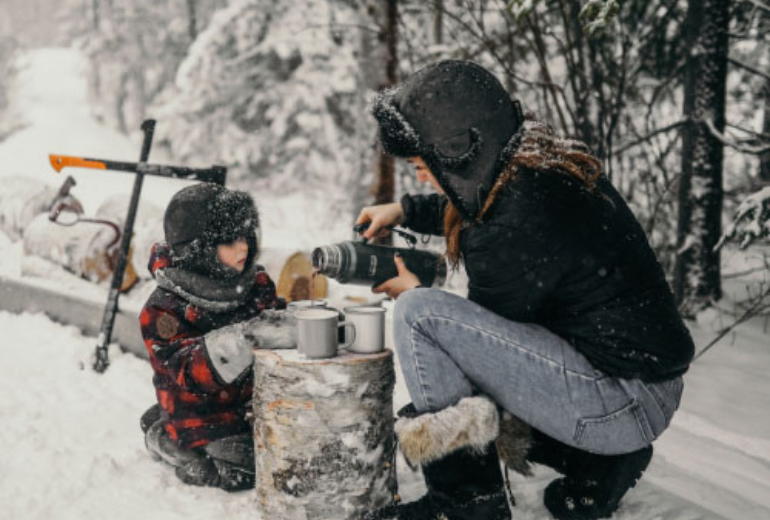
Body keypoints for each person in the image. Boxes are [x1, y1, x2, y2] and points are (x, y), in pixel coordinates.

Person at [357, 60, 695, 520]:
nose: (420, 176)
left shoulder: (517, 219)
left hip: (619, 404)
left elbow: (480, 358)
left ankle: (468, 505)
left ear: (460, 152)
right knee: (446, 350)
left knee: (422, 318)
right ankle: (598, 465)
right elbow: (476, 206)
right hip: (643, 389)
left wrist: (411, 289)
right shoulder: (536, 168)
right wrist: (403, 210)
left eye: (423, 165)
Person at [138, 183, 289, 492]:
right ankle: (168, 441)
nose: (243, 248)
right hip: (200, 410)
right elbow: (188, 371)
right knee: (250, 468)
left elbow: (275, 318)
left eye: (246, 236)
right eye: (229, 241)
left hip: (248, 405)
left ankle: (166, 423)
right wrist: (249, 338)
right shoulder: (164, 308)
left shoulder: (253, 282)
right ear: (198, 249)